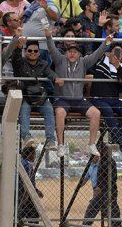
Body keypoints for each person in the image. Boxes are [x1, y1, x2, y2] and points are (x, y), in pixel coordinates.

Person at [46, 26, 110, 157]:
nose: (72, 54)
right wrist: (48, 36)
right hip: (62, 99)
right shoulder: (60, 60)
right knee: (59, 112)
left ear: (79, 54)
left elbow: (97, 54)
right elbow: (52, 49)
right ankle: (60, 145)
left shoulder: (84, 62)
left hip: (79, 100)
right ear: (65, 53)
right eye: (70, 51)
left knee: (96, 113)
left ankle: (91, 144)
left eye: (75, 52)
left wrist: (107, 42)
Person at [83, 141, 121, 227]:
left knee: (111, 212)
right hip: (98, 191)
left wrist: (100, 189)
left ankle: (115, 224)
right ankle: (86, 225)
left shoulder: (108, 162)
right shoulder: (91, 164)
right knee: (91, 211)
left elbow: (111, 179)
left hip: (108, 191)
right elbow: (85, 178)